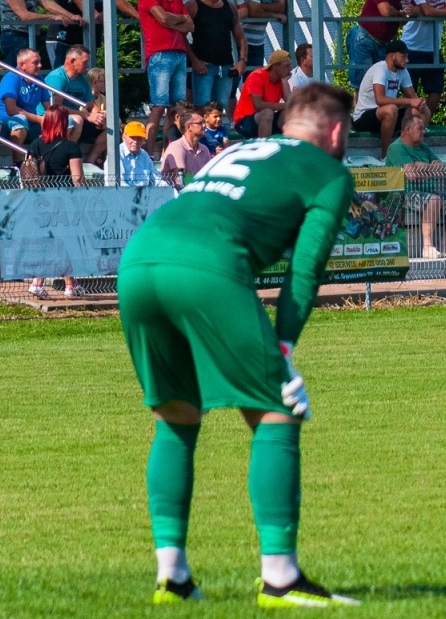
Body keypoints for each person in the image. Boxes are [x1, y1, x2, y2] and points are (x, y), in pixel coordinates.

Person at [118, 82, 359, 608]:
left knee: (176, 416)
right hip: (204, 262)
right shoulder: (329, 172)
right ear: (336, 131)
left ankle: (173, 578)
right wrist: (283, 349)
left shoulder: (240, 149)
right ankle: (281, 578)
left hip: (138, 259)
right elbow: (305, 270)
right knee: (276, 409)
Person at [387, 109, 446, 259]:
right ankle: (427, 247)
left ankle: (444, 245)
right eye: (420, 129)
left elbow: (442, 169)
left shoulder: (424, 147)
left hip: (428, 193)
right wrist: (428, 168)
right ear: (407, 130)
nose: (423, 132)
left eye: (424, 128)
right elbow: (412, 176)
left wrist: (420, 166)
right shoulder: (396, 148)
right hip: (404, 195)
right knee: (434, 200)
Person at [24, 107, 86, 300]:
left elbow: (28, 170)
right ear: (63, 123)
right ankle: (44, 284)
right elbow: (77, 178)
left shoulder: (35, 144)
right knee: (62, 242)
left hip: (40, 200)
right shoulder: (71, 147)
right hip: (63, 200)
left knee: (54, 243)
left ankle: (68, 284)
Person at [139, 0, 194, 156]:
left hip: (178, 53)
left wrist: (172, 21)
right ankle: (148, 151)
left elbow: (190, 25)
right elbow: (162, 18)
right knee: (159, 105)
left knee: (177, 107)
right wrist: (178, 20)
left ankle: (168, 152)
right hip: (160, 54)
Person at [187, 0, 246, 111]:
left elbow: (241, 38)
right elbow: (180, 36)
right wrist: (194, 60)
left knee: (218, 109)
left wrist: (242, 61)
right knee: (201, 107)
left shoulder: (229, 7)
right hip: (204, 67)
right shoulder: (193, 6)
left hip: (226, 65)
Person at [352, 40, 425, 154]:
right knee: (391, 109)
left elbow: (414, 99)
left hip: (386, 117)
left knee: (420, 110)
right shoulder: (380, 69)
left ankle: (412, 150)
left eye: (407, 57)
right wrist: (409, 101)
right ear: (392, 56)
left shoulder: (403, 71)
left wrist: (419, 103)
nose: (407, 60)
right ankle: (386, 156)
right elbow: (380, 100)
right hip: (363, 118)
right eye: (403, 57)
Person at [348, 0, 411, 86]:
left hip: (383, 42)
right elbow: (385, 11)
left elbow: (414, 8)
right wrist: (401, 14)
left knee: (380, 81)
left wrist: (409, 12)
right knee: (363, 82)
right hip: (365, 38)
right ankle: (360, 100)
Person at [403, 0, 446, 119]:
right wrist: (442, 13)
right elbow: (427, 11)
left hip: (434, 47)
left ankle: (424, 122)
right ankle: (406, 124)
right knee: (409, 90)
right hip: (413, 46)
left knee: (436, 89)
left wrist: (436, 12)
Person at [44, 44, 106, 164]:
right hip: (54, 119)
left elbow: (91, 105)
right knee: (77, 120)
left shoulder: (83, 79)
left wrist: (100, 115)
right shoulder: (57, 78)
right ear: (73, 61)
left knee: (113, 122)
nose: (87, 66)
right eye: (85, 62)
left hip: (77, 117)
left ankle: (90, 161)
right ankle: (64, 159)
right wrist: (87, 116)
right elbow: (57, 108)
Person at [0, 47, 51, 145]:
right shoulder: (11, 77)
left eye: (40, 62)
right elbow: (11, 110)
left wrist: (54, 117)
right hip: (6, 125)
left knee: (68, 122)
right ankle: (18, 156)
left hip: (31, 123)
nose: (40, 65)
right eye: (35, 62)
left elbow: (49, 105)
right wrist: (39, 119)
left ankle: (62, 154)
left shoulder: (39, 78)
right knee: (21, 120)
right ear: (22, 65)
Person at [234, 50, 294, 139]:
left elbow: (291, 104)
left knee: (289, 112)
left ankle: (286, 144)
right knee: (267, 112)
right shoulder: (257, 76)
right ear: (275, 66)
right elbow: (258, 105)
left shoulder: (281, 81)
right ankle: (263, 145)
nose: (290, 69)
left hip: (265, 119)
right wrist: (284, 105)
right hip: (245, 121)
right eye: (287, 66)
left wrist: (284, 82)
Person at [161, 107, 212, 185]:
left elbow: (209, 175)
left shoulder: (204, 149)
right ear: (188, 127)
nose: (204, 125)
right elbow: (180, 179)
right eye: (200, 123)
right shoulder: (176, 147)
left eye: (204, 122)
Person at [119, 121, 164, 187]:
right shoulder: (117, 154)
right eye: (132, 137)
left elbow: (156, 179)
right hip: (122, 193)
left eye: (139, 138)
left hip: (144, 192)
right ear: (123, 137)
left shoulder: (144, 155)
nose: (135, 141)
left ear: (144, 140)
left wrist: (170, 189)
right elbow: (118, 183)